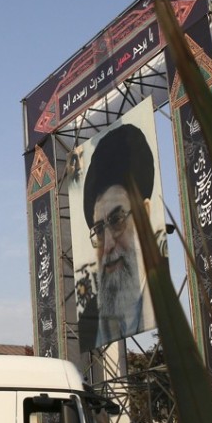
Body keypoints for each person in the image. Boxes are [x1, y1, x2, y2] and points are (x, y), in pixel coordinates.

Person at [81, 122, 155, 348]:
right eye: (99, 230)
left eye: (116, 220)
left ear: (144, 213)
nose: (109, 245)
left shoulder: (167, 299)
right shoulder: (89, 322)